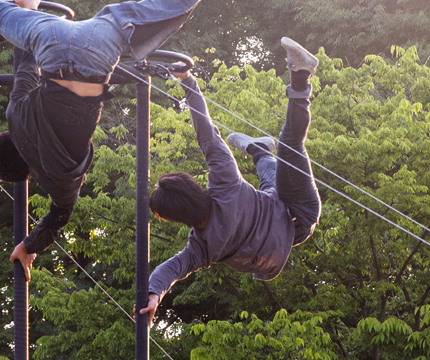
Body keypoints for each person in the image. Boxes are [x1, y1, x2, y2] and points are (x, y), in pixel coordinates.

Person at [0, 0, 245, 280]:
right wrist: (28, 10)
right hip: (50, 40)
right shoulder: (16, 117)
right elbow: (25, 67)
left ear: (28, 172)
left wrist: (29, 246)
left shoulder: (59, 181)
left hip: (99, 50)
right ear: (7, 139)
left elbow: (59, 217)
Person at [136, 38, 322, 323]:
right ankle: (301, 76)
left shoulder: (202, 248)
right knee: (289, 146)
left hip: (276, 207)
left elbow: (171, 268)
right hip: (299, 213)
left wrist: (154, 294)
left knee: (272, 182)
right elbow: (206, 134)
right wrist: (187, 81)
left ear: (176, 218)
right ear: (192, 187)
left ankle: (258, 149)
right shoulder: (223, 183)